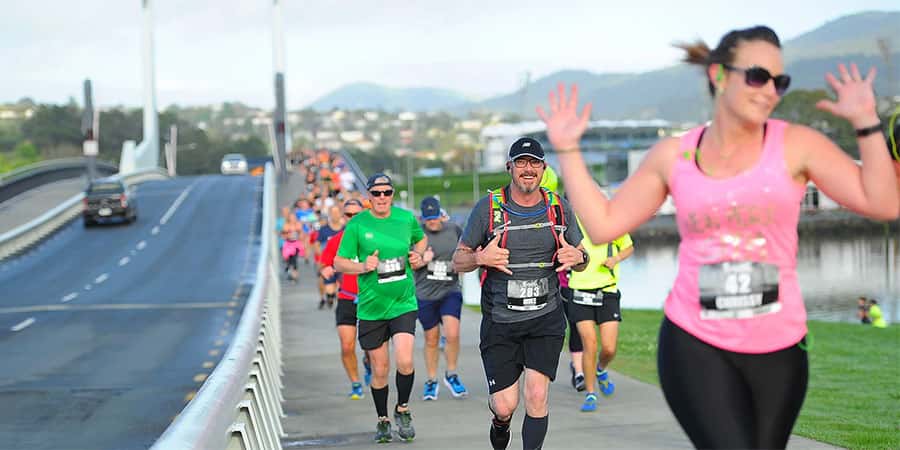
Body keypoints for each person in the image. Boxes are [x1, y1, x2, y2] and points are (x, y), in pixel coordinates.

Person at [537, 26, 899, 449]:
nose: (770, 91)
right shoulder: (674, 156)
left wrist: (866, 122)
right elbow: (602, 224)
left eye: (779, 82)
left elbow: (882, 202)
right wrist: (568, 149)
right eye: (758, 76)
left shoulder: (797, 145)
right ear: (719, 75)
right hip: (695, 342)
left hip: (779, 348)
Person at [453, 137, 588, 450]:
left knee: (537, 396)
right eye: (522, 162)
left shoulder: (558, 208)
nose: (529, 169)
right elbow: (458, 261)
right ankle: (500, 428)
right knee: (504, 406)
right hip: (502, 322)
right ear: (509, 167)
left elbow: (582, 258)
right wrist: (479, 258)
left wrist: (578, 258)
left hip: (546, 319)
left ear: (543, 168)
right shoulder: (488, 209)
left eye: (535, 163)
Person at [334, 173, 428, 444]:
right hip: (372, 308)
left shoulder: (405, 218)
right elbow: (340, 263)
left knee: (406, 359)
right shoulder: (358, 225)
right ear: (369, 197)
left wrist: (418, 254)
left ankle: (403, 409)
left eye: (387, 192)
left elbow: (420, 240)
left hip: (403, 302)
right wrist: (363, 267)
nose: (382, 198)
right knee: (379, 370)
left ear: (392, 195)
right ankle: (383, 419)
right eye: (377, 193)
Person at [565, 222, 633, 412]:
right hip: (580, 291)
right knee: (590, 344)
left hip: (607, 291)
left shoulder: (610, 221)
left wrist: (616, 258)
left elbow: (629, 247)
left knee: (609, 348)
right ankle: (590, 393)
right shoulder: (573, 222)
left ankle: (600, 369)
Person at [414, 196, 469, 401]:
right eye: (428, 219)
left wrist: (461, 262)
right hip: (425, 294)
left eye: (435, 217)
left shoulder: (453, 229)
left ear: (440, 214)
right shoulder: (416, 234)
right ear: (423, 218)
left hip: (450, 290)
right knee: (431, 338)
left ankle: (451, 374)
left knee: (452, 333)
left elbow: (467, 251)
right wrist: (422, 260)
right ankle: (431, 380)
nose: (432, 222)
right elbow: (407, 264)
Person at [319, 199, 367, 399]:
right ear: (343, 217)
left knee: (372, 348)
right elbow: (324, 265)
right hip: (347, 297)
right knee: (347, 346)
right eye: (349, 215)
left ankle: (369, 364)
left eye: (357, 215)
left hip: (371, 299)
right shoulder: (337, 240)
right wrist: (327, 270)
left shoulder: (375, 239)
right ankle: (356, 383)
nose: (353, 219)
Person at [316, 205, 346, 309]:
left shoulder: (345, 229)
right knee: (328, 287)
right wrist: (320, 258)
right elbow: (317, 244)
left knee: (341, 286)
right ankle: (325, 297)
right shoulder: (324, 229)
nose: (335, 215)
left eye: (337, 212)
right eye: (333, 213)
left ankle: (339, 300)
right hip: (327, 262)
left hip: (342, 262)